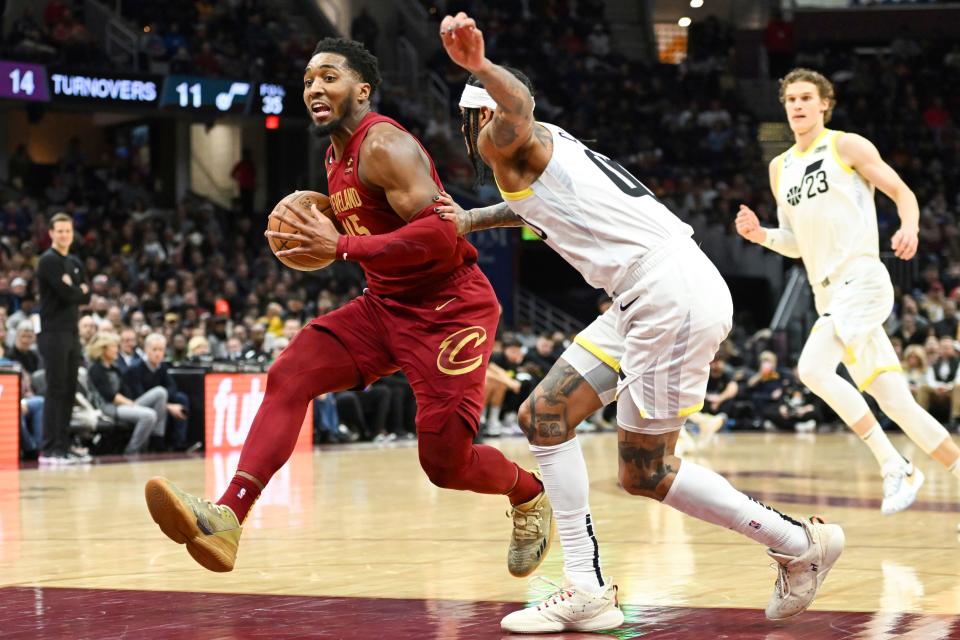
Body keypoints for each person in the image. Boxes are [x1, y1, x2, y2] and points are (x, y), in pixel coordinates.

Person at [436, 14, 844, 633]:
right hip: (645, 295)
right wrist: (472, 221)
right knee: (543, 414)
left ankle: (796, 544)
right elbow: (536, 212)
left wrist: (481, 68)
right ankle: (586, 588)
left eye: (480, 117)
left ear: (480, 116)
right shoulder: (539, 156)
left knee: (645, 471)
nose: (476, 133)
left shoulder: (504, 133)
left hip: (666, 294)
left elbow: (516, 99)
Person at [144, 37, 551, 580]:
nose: (314, 86)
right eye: (309, 78)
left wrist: (341, 246)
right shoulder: (334, 153)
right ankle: (228, 517)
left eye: (329, 77)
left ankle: (530, 495)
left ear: (362, 90)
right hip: (385, 304)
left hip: (449, 307)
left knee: (445, 464)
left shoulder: (383, 145)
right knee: (289, 374)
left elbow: (436, 235)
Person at [736, 68, 960, 516]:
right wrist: (761, 235)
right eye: (790, 99)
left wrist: (910, 225)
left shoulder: (846, 146)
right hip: (828, 295)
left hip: (862, 279)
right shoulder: (780, 169)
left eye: (806, 98)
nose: (797, 105)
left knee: (813, 370)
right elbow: (795, 242)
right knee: (897, 403)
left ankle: (895, 465)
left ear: (824, 104)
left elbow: (901, 191)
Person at [36, 212, 91, 464]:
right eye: (59, 231)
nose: (64, 235)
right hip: (53, 332)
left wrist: (76, 289)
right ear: (51, 233)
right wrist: (76, 289)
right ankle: (50, 448)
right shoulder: (48, 260)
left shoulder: (75, 261)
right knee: (55, 389)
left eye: (67, 231)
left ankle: (64, 444)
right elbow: (68, 294)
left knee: (69, 389)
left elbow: (85, 295)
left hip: (71, 332)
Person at [86, 332, 166, 455]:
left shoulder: (115, 368)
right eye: (114, 347)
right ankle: (132, 451)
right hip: (107, 408)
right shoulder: (96, 369)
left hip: (123, 404)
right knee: (149, 415)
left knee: (160, 392)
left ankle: (157, 440)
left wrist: (133, 403)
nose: (117, 350)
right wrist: (132, 404)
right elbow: (110, 396)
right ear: (104, 349)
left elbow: (125, 390)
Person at [124, 333, 189, 450]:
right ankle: (157, 441)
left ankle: (178, 444)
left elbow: (172, 388)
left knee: (181, 398)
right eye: (154, 349)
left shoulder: (162, 367)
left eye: (161, 350)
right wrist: (168, 406)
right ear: (146, 350)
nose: (158, 353)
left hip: (159, 403)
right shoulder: (136, 368)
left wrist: (167, 402)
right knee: (160, 393)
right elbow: (139, 395)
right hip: (135, 404)